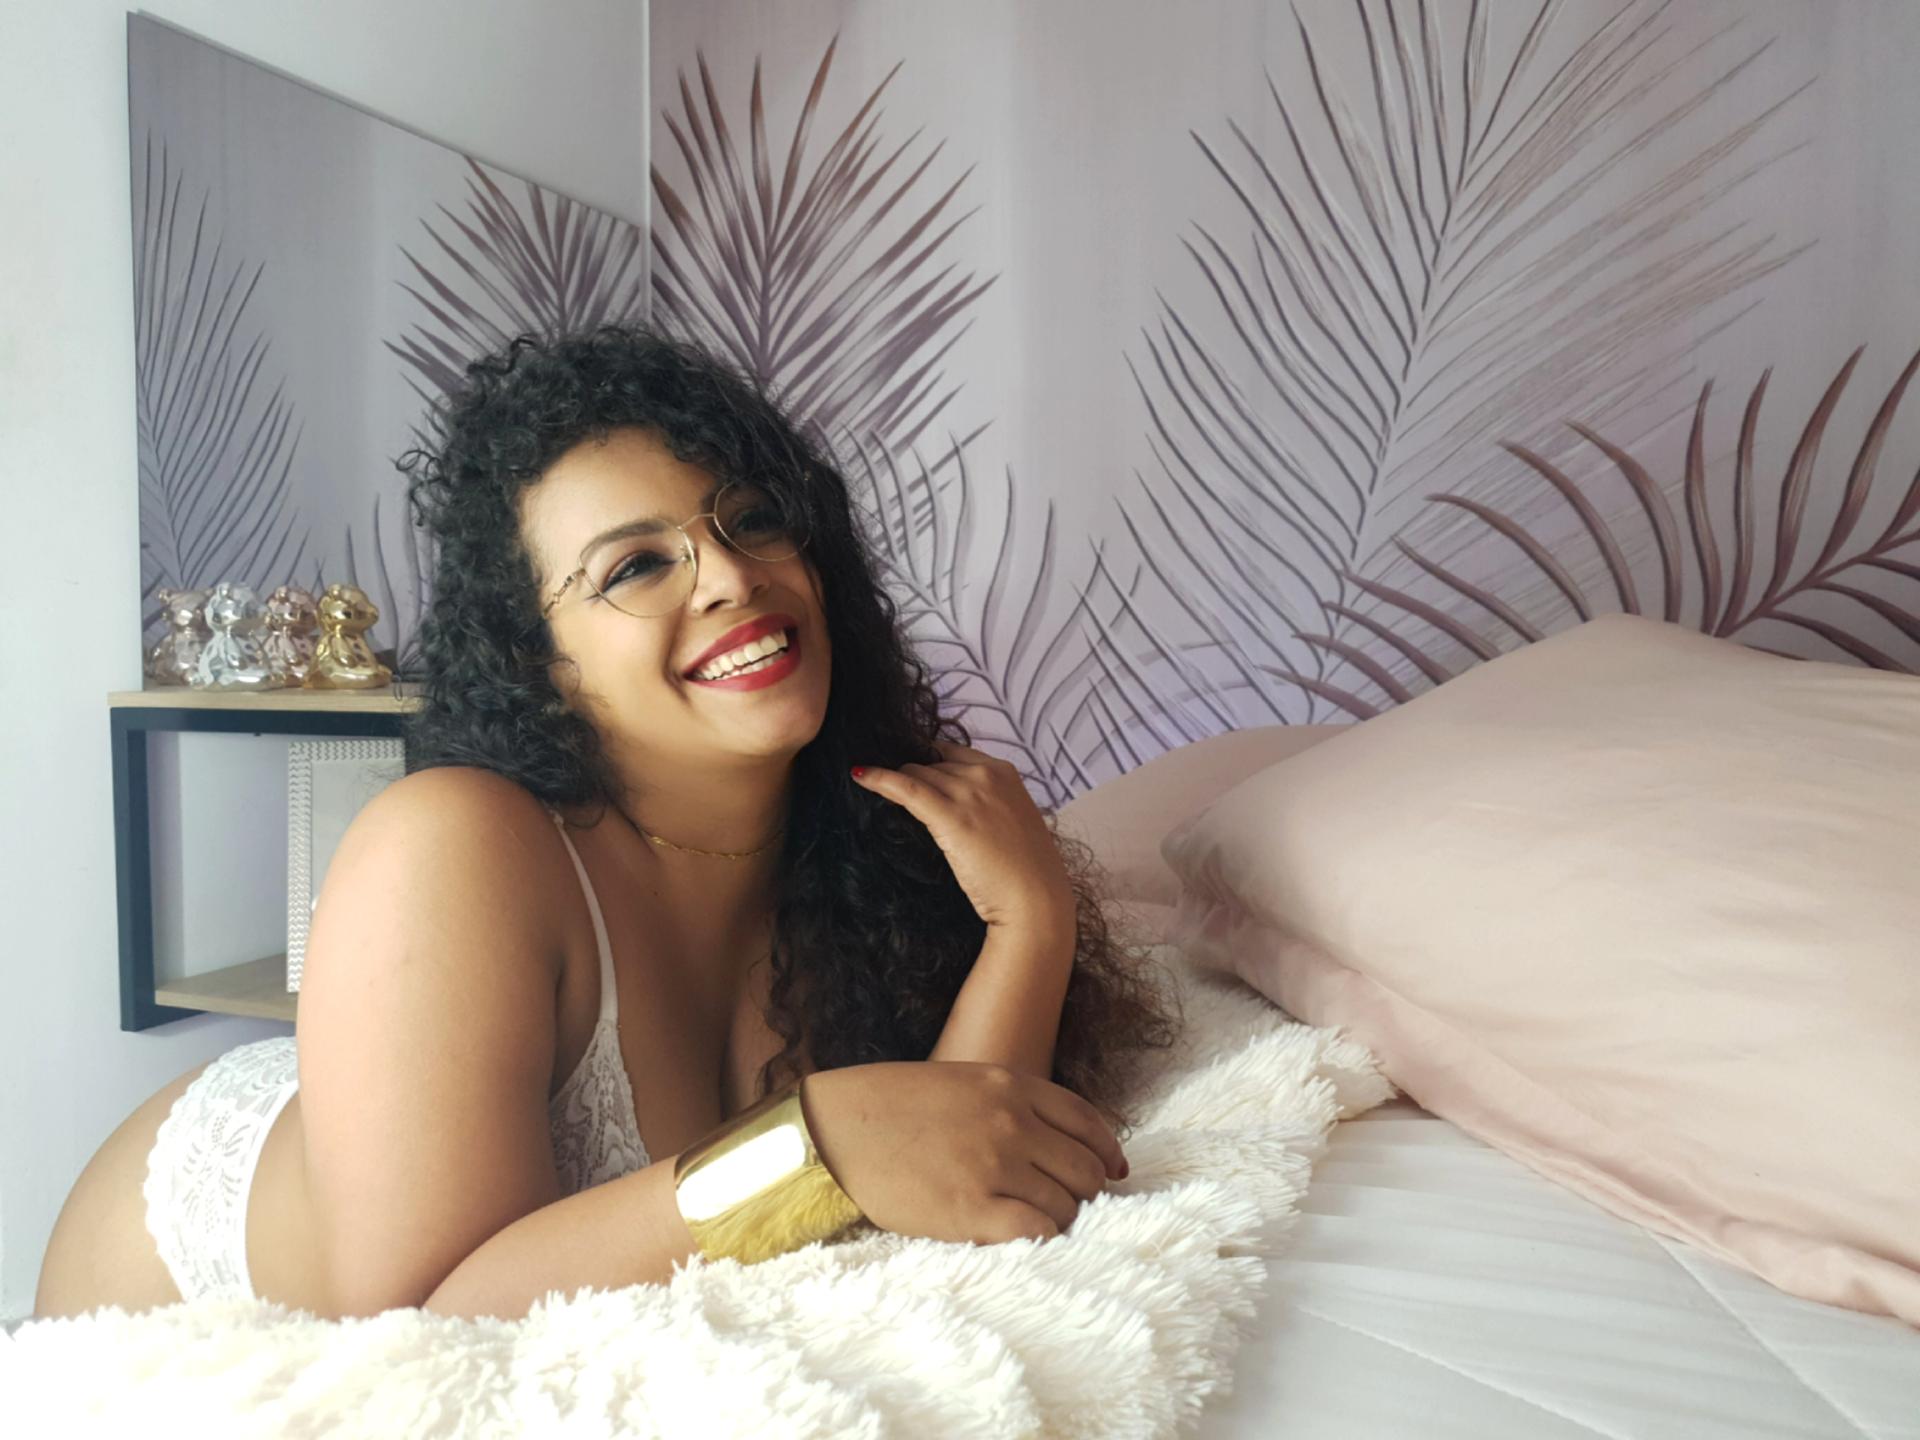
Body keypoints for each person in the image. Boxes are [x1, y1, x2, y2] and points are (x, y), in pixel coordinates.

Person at [33, 321, 1180, 1323]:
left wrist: (1029, 922)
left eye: (753, 519)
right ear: (540, 663)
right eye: (634, 566)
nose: (730, 576)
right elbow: (419, 1333)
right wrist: (812, 1144)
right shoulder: (453, 844)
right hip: (171, 1343)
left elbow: (953, 1164)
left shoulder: (869, 843)